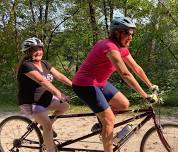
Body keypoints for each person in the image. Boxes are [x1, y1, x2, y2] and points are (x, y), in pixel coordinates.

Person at [72, 16, 159, 152]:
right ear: (116, 33)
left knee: (123, 104)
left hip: (100, 83)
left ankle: (101, 125)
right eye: (127, 33)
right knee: (109, 120)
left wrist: (151, 85)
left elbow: (136, 68)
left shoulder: (122, 48)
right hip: (84, 84)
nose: (130, 37)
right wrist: (144, 95)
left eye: (132, 33)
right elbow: (125, 74)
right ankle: (106, 131)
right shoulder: (109, 46)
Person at [16, 37, 72, 152]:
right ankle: (50, 150)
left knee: (65, 106)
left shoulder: (45, 63)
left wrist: (75, 85)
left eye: (40, 49)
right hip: (32, 103)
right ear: (27, 52)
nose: (38, 52)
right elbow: (43, 81)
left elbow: (59, 76)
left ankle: (44, 125)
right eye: (34, 50)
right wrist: (58, 93)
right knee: (48, 126)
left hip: (45, 100)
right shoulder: (26, 66)